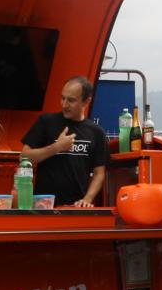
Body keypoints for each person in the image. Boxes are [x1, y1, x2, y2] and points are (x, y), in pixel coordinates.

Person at [20, 76, 109, 208]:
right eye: (63, 98)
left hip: (77, 207)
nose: (64, 104)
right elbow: (24, 157)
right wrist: (57, 147)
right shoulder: (46, 122)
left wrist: (87, 199)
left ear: (86, 101)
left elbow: (99, 173)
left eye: (71, 100)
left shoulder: (97, 132)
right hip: (44, 205)